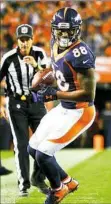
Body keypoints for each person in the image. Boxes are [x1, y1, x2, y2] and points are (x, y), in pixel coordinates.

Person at [28, 7, 96, 204]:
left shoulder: (81, 53)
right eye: (60, 30)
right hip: (64, 107)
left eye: (68, 31)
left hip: (80, 111)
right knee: (33, 149)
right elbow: (60, 74)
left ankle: (58, 190)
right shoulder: (54, 43)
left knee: (43, 154)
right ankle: (67, 181)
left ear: (77, 30)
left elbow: (88, 93)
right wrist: (42, 76)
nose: (64, 35)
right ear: (54, 29)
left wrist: (54, 94)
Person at [0, 24, 49, 196]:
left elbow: (49, 77)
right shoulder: (8, 58)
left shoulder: (40, 54)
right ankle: (24, 184)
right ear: (17, 40)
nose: (24, 43)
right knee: (21, 145)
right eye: (21, 40)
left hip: (36, 103)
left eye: (27, 39)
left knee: (45, 142)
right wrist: (2, 103)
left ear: (32, 39)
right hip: (16, 104)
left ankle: (38, 177)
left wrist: (36, 66)